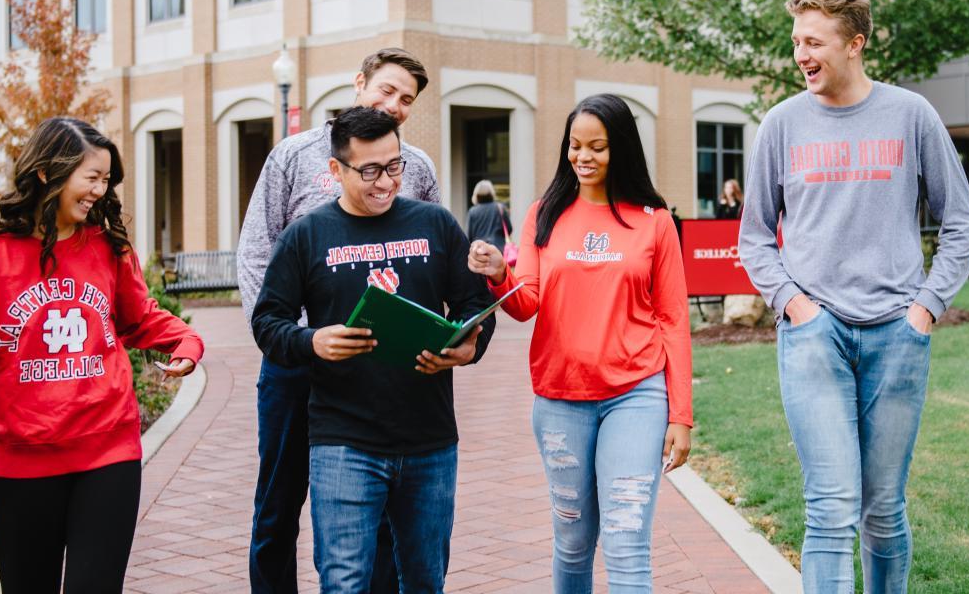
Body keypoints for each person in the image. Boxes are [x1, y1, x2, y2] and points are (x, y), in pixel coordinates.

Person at [738, 0, 969, 593]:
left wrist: (926, 308)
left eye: (815, 41)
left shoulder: (910, 115)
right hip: (814, 337)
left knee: (883, 510)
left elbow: (962, 223)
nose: (801, 55)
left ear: (856, 43)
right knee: (828, 508)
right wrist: (795, 306)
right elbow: (757, 237)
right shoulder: (782, 125)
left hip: (897, 337)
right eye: (796, 41)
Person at [0, 117, 204, 593]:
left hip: (107, 452)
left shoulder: (107, 247)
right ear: (46, 173)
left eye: (106, 180)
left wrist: (186, 342)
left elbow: (139, 317)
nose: (100, 190)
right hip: (19, 463)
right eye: (92, 177)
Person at [251, 107, 495, 593]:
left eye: (394, 166)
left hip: (429, 440)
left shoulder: (436, 225)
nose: (385, 182)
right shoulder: (308, 235)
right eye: (369, 170)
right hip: (343, 441)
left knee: (426, 581)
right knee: (344, 583)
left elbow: (474, 306)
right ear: (335, 170)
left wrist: (469, 347)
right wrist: (311, 341)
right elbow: (267, 322)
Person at [467, 93, 693, 593]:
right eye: (575, 146)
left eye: (598, 147)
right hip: (560, 398)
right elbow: (526, 304)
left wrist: (681, 415)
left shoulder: (655, 221)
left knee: (627, 539)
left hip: (637, 393)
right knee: (572, 542)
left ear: (623, 151)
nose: (583, 157)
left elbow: (674, 318)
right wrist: (501, 274)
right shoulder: (544, 214)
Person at [237, 47, 439, 594]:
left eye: (407, 99)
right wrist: (297, 340)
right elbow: (257, 251)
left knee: (370, 512)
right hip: (297, 363)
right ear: (359, 83)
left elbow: (430, 263)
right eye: (387, 90)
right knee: (278, 503)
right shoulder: (293, 155)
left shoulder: (416, 169)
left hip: (375, 371)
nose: (394, 104)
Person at [464, 179, 511, 249]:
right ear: (492, 193)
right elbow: (509, 229)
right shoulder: (500, 208)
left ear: (476, 195)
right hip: (498, 250)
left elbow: (468, 236)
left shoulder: (472, 211)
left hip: (479, 252)